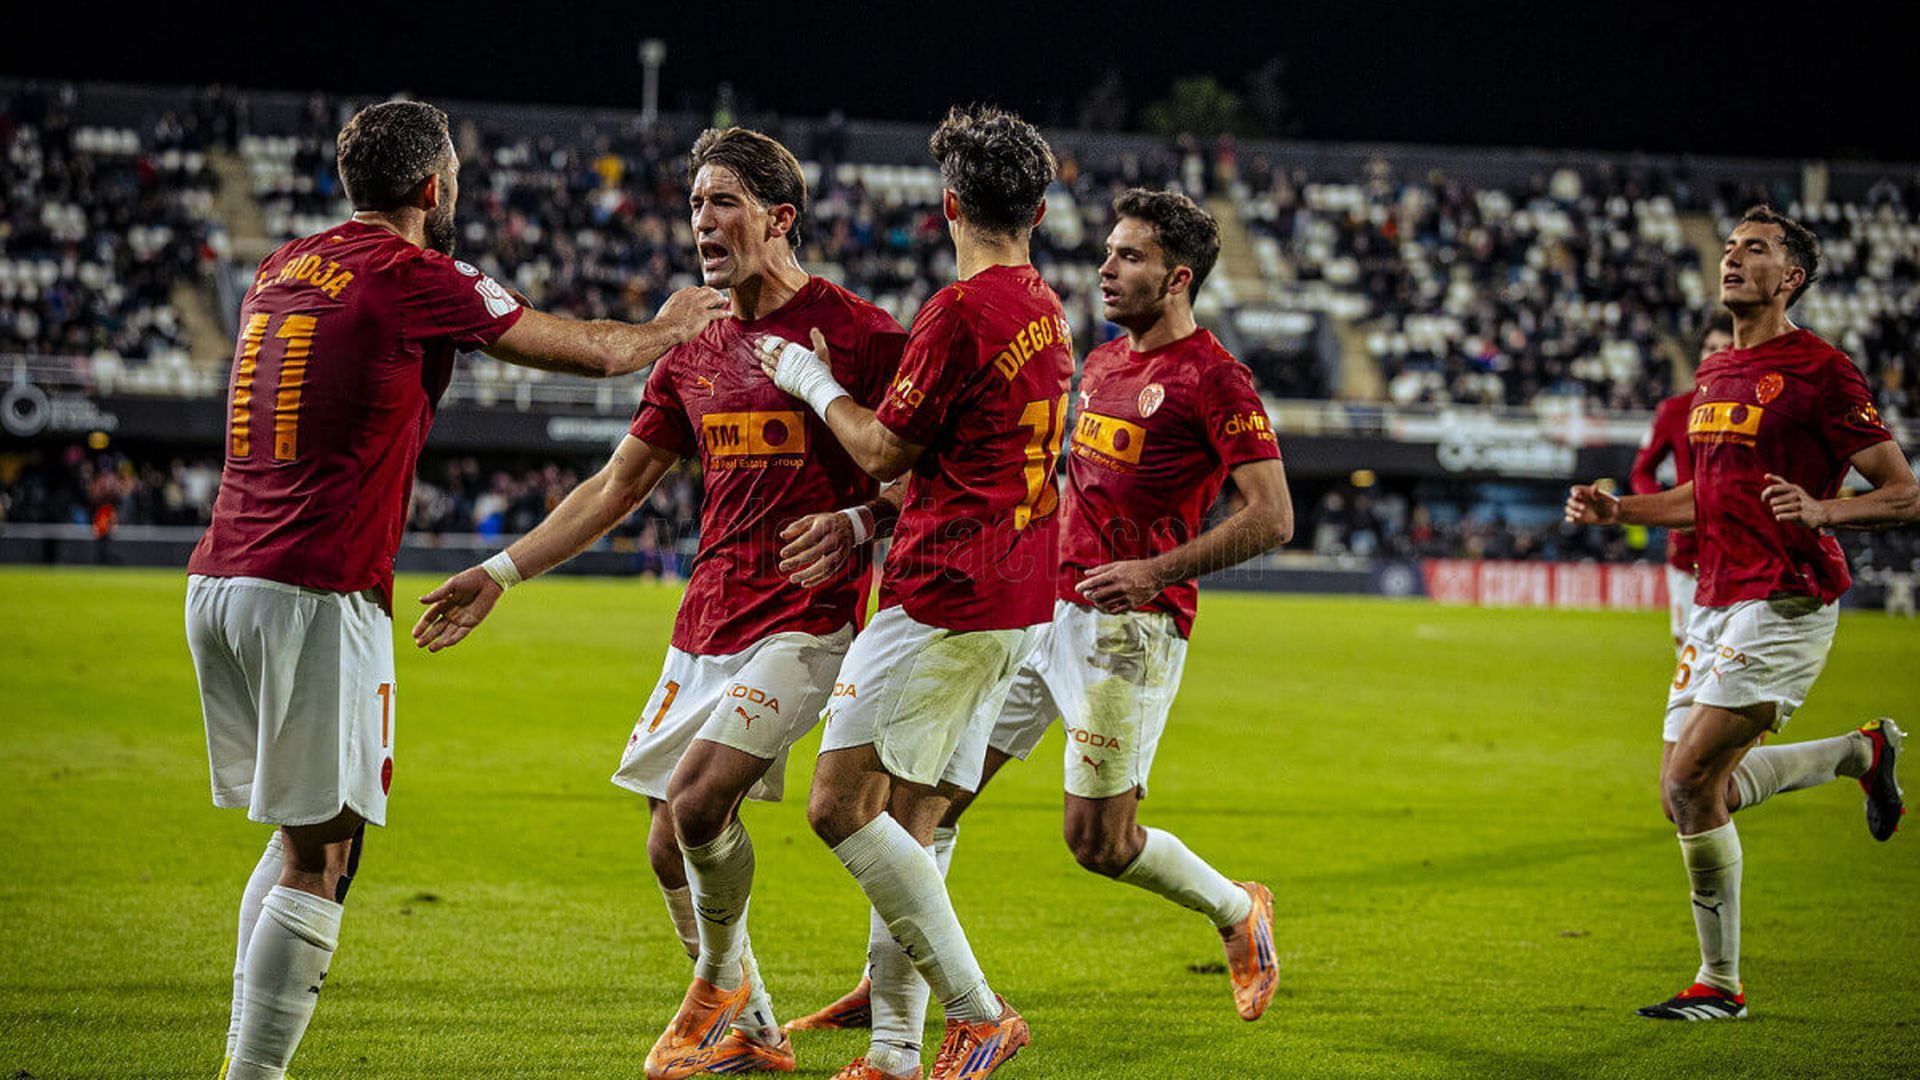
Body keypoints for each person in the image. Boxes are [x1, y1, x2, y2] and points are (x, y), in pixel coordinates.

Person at [186, 100, 728, 1080]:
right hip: (316, 585)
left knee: (306, 835)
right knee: (323, 856)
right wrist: (666, 326)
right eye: (457, 181)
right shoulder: (409, 275)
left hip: (222, 574)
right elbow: (591, 352)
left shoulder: (282, 265)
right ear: (433, 187)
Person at [410, 127, 906, 1080]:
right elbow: (614, 487)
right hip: (708, 619)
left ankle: (720, 997)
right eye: (694, 204)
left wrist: (858, 522)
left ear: (779, 216)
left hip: (810, 622)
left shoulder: (860, 333)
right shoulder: (694, 351)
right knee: (666, 843)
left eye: (723, 201)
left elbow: (922, 472)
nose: (702, 222)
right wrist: (499, 574)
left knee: (697, 797)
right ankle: (755, 1029)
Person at [786, 189, 1292, 1054]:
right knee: (929, 802)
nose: (1106, 267)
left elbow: (1272, 517)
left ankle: (1238, 910)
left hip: (1129, 631)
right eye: (1107, 250)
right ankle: (894, 990)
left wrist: (1153, 572)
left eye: (1129, 257)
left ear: (1177, 279)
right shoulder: (1095, 363)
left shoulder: (1215, 378)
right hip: (1035, 609)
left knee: (1098, 841)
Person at [755, 104, 1070, 1080]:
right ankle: (895, 1054)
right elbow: (955, 459)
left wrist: (807, 375)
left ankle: (978, 1014)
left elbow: (883, 445)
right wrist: (863, 522)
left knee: (839, 807)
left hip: (943, 593)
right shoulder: (1049, 311)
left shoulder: (962, 311)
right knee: (916, 823)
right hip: (1021, 594)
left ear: (947, 207)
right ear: (1041, 211)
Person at [1565, 205, 1916, 1021]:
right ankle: (1859, 755)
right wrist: (1622, 513)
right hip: (1715, 604)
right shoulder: (1717, 377)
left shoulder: (1823, 371)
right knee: (1683, 790)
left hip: (1786, 599)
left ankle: (1719, 986)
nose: (1731, 259)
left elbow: (1904, 493)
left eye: (1753, 250)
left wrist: (1826, 513)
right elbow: (1703, 498)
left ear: (1789, 278)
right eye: (1727, 248)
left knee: (1692, 780)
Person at [1632, 312, 1733, 650]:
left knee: (1736, 666)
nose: (1716, 354)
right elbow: (1642, 472)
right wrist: (1662, 509)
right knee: (1689, 660)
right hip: (1688, 552)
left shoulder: (1758, 413)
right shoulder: (1675, 411)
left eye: (1725, 347)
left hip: (1741, 552)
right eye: (1709, 347)